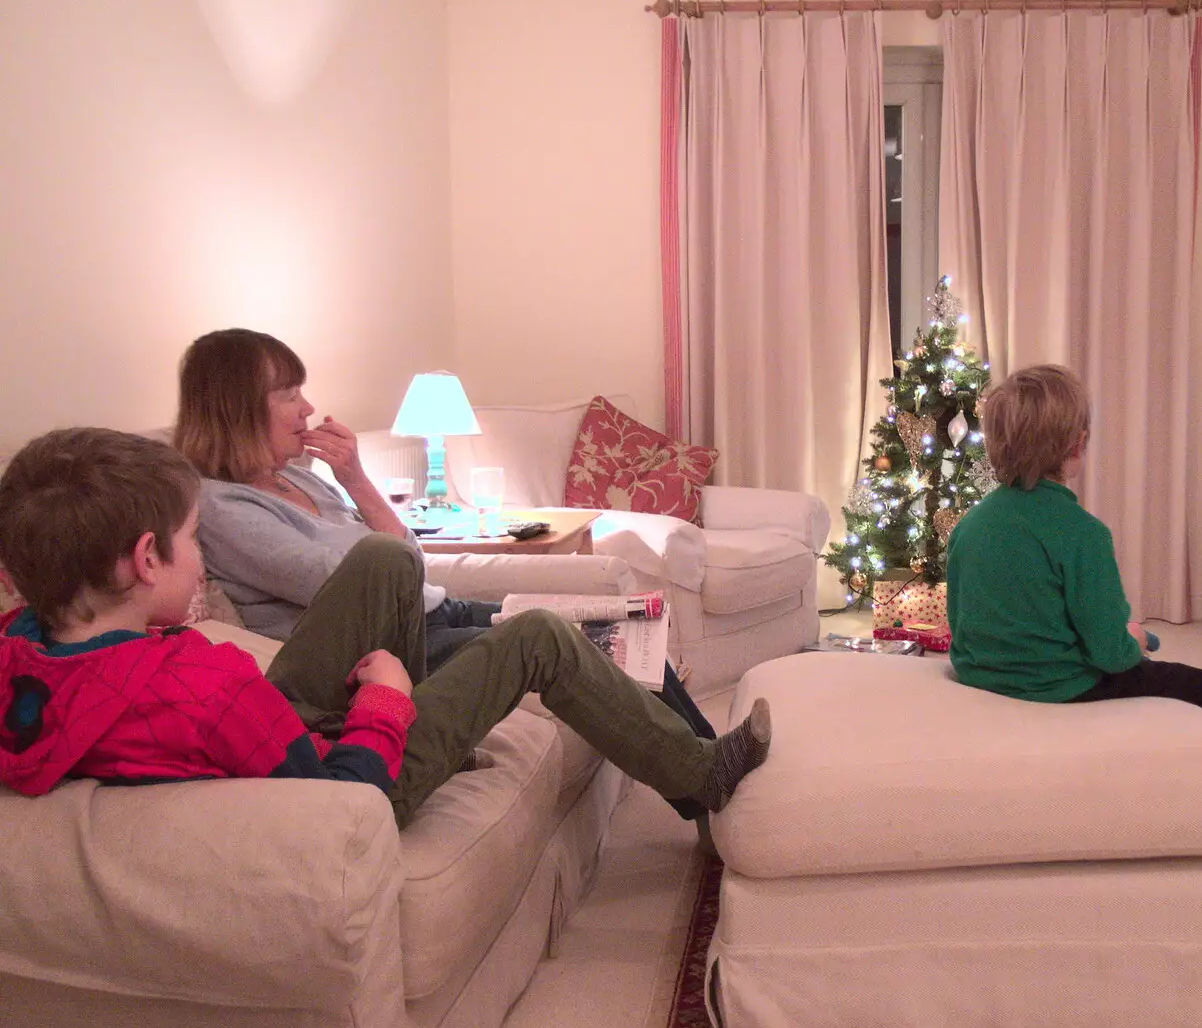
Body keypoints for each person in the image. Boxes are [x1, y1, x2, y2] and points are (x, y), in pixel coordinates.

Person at [0, 428, 770, 828]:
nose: (202, 557)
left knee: (381, 559)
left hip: (262, 739)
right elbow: (340, 801)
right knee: (537, 635)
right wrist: (387, 704)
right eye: (193, 538)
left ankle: (452, 725)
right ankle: (701, 775)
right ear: (145, 560)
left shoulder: (22, 649)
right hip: (355, 781)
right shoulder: (208, 685)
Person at [172, 329, 724, 822]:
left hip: (434, 610)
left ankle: (709, 774)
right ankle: (710, 788)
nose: (308, 407)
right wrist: (391, 550)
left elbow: (409, 555)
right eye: (289, 393)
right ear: (239, 409)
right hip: (384, 649)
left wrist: (356, 480)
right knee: (567, 639)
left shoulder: (306, 481)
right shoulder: (223, 507)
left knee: (619, 627)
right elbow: (352, 579)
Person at [946, 364, 1202, 719]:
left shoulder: (970, 525)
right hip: (1061, 687)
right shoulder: (1083, 533)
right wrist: (1137, 640)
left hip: (981, 677)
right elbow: (1112, 655)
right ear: (1078, 445)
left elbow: (960, 621)